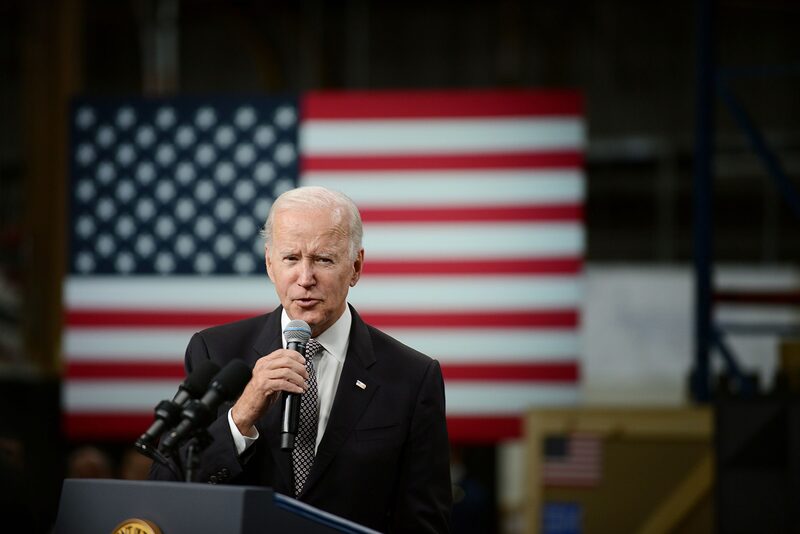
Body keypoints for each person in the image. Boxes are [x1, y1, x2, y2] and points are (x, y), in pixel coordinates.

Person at [150, 186, 452, 533]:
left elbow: (425, 522)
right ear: (269, 264)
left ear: (355, 267)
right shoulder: (215, 352)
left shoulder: (413, 376)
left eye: (323, 259)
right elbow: (165, 482)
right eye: (291, 258)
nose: (305, 278)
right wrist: (241, 415)